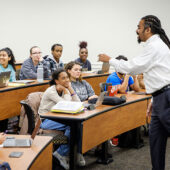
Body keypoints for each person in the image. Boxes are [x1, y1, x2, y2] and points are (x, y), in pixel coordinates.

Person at [98, 15, 170, 170]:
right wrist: (153, 100)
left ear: (148, 29)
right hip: (159, 98)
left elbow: (131, 67)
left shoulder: (155, 46)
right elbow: (161, 77)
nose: (136, 31)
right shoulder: (156, 45)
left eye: (139, 27)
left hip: (166, 98)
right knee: (155, 140)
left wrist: (109, 59)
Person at [38, 69, 85, 170]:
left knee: (79, 124)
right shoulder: (51, 91)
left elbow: (78, 103)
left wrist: (70, 89)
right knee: (73, 125)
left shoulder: (65, 89)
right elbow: (65, 104)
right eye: (63, 78)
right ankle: (60, 154)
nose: (67, 80)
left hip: (60, 117)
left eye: (67, 77)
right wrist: (66, 90)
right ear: (56, 81)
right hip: (46, 120)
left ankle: (77, 152)